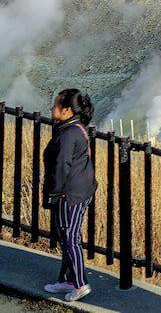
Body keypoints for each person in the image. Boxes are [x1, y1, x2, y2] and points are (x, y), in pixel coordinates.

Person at [41, 88, 95, 302]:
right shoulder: (73, 128)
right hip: (76, 191)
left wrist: (54, 193)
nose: (52, 108)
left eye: (55, 105)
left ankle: (80, 283)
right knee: (66, 235)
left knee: (70, 237)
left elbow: (62, 165)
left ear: (67, 110)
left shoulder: (69, 133)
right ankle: (67, 279)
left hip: (69, 195)